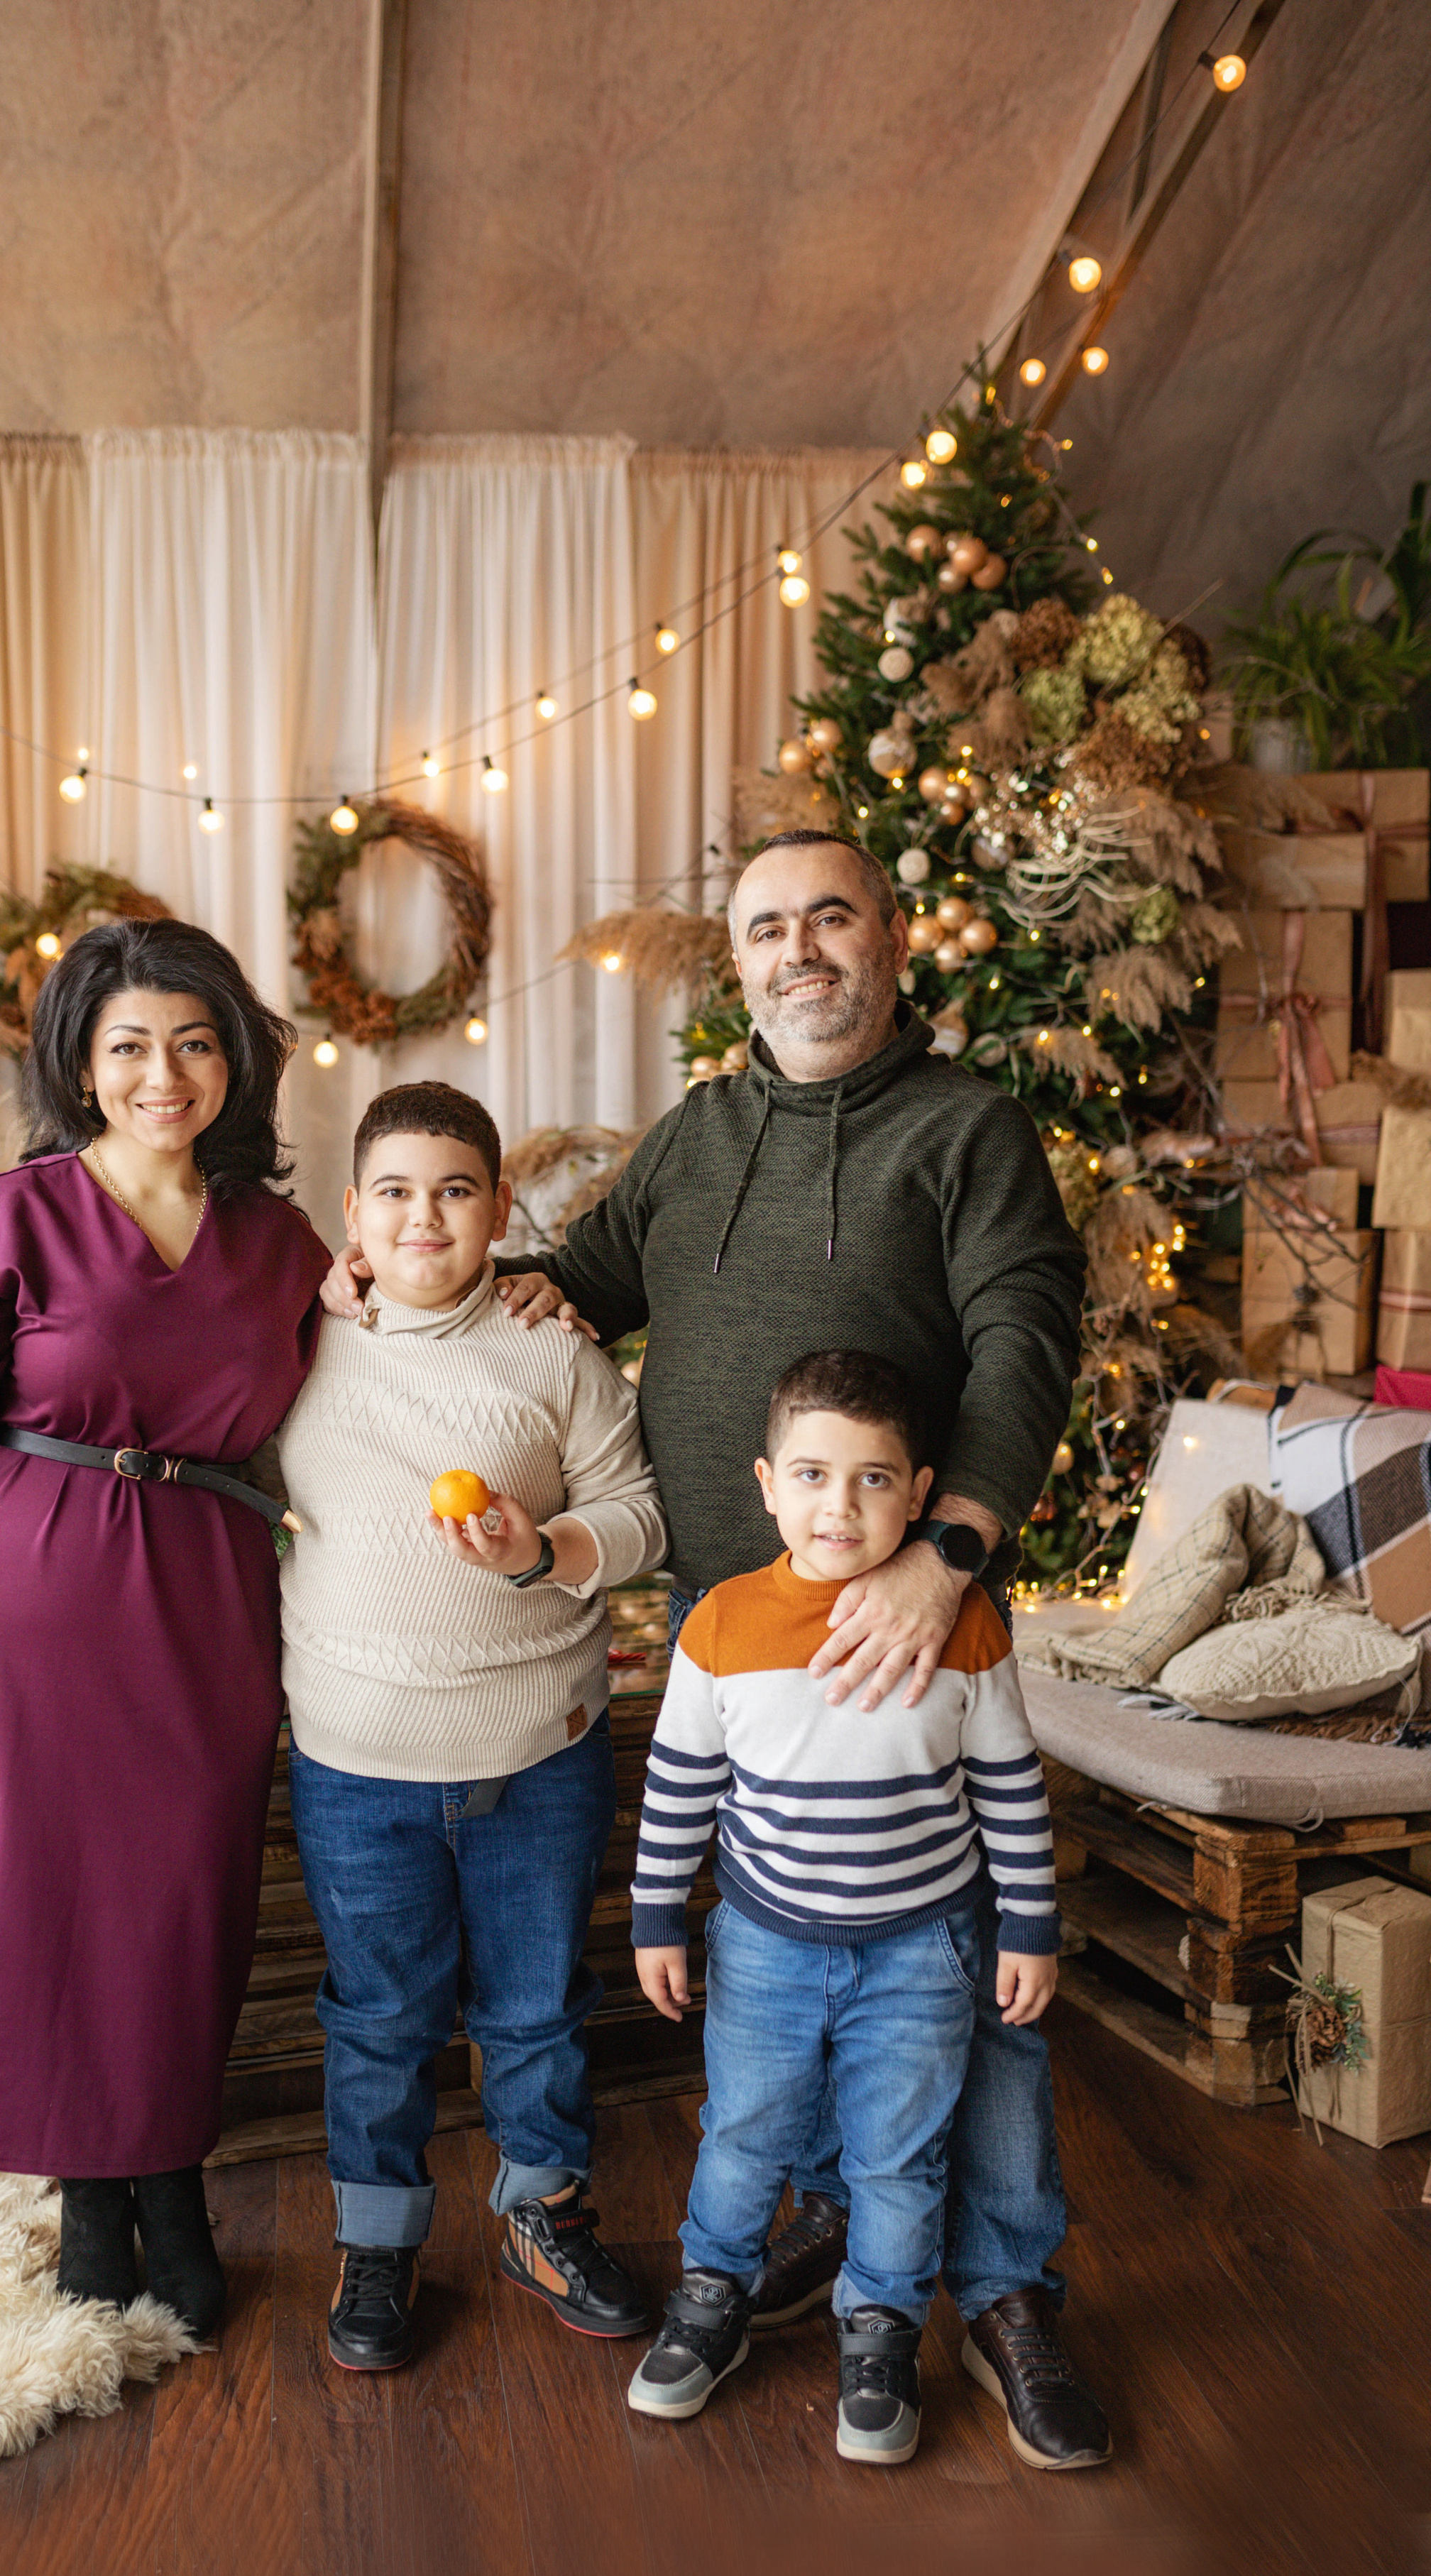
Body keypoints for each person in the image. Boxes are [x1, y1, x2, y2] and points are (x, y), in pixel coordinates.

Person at [321, 826, 1110, 2467]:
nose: (798, 949)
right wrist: (404, 1262)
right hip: (730, 1637)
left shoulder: (963, 1131)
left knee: (963, 1959)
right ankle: (835, 2232)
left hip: (909, 1612)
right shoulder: (699, 1135)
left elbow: (1025, 1342)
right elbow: (575, 1283)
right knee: (789, 1951)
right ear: (735, 958)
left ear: (889, 936)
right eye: (765, 928)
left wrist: (946, 1556)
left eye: (831, 914)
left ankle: (1012, 2289)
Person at [0, 918, 329, 2340]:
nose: (162, 1072)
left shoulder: (279, 1239)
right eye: (128, 1044)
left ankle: (171, 2181)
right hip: (24, 1602)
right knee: (49, 1903)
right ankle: (89, 2194)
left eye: (193, 1042)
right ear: (78, 1061)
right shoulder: (10, 1216)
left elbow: (364, 1375)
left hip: (201, 1606)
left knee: (177, 1906)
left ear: (234, 1060)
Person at [273, 1081, 667, 2372]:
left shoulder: (554, 1351)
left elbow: (639, 1515)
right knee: (378, 2017)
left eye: (454, 1189)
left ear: (501, 1210)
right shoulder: (294, 1340)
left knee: (538, 2007)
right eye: (393, 1190)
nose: (424, 1215)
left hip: (538, 1752)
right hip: (354, 1756)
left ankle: (542, 2216)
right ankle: (378, 2241)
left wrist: (543, 1545)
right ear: (352, 1215)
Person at [625, 1350, 1070, 2467]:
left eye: (875, 1480)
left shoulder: (963, 1629)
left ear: (921, 1495)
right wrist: (655, 1918)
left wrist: (1028, 1924)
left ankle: (879, 2334)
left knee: (898, 2159)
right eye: (814, 1476)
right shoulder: (721, 1627)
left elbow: (1010, 1791)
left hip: (923, 1953)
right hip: (767, 1945)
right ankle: (712, 2296)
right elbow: (680, 1788)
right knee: (743, 2135)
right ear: (768, 1484)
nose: (841, 1506)